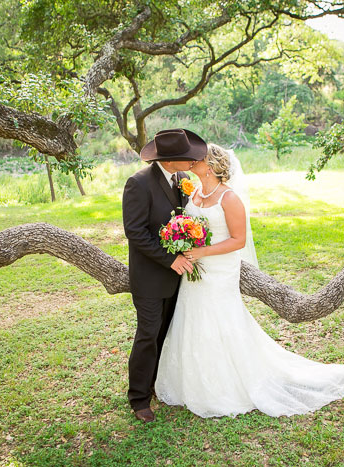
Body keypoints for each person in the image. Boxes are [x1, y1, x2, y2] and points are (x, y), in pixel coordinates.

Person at [154, 143, 344, 418]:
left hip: (219, 269)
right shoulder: (195, 191)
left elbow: (238, 240)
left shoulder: (229, 198)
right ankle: (191, 382)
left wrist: (202, 251)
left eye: (196, 158)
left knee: (219, 319)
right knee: (193, 318)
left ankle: (227, 383)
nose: (190, 160)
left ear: (209, 165)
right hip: (195, 270)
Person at [121, 128, 207, 423]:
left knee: (165, 333)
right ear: (170, 160)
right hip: (149, 277)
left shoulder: (182, 180)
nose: (193, 162)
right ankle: (139, 398)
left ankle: (156, 384)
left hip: (177, 278)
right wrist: (170, 259)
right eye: (188, 158)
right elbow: (135, 232)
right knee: (148, 335)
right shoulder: (138, 183)